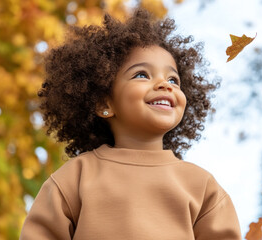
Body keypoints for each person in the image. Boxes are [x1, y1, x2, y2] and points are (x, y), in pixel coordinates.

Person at [20, 8, 241, 240]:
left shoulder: (201, 186)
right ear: (104, 103)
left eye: (173, 79)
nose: (165, 85)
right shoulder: (75, 178)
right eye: (142, 75)